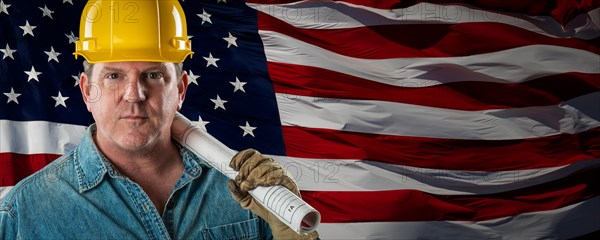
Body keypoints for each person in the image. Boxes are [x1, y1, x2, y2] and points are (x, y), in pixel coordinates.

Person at [0, 0, 318, 239]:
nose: (135, 93)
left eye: (153, 75)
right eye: (113, 75)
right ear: (87, 91)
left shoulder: (248, 194)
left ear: (180, 89)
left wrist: (293, 233)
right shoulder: (26, 213)